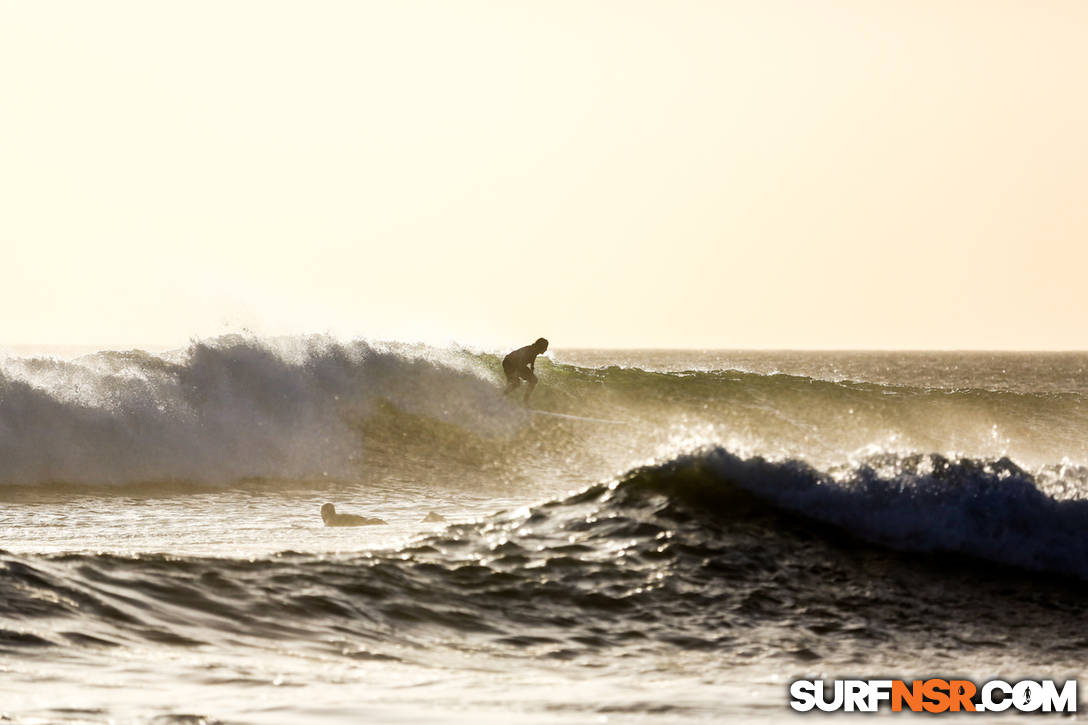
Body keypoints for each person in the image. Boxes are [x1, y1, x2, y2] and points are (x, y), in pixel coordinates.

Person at [502, 337, 549, 402]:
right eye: (545, 347)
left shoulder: (535, 351)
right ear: (540, 347)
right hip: (509, 363)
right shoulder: (530, 350)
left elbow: (532, 361)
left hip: (515, 364)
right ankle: (503, 396)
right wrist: (516, 374)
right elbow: (520, 362)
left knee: (534, 380)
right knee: (516, 383)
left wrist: (531, 372)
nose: (546, 349)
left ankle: (525, 400)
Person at [320, 503, 386, 527]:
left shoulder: (330, 522)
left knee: (369, 523)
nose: (321, 514)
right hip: (360, 520)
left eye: (322, 511)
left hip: (357, 522)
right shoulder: (332, 520)